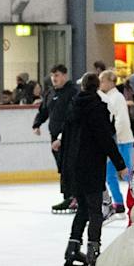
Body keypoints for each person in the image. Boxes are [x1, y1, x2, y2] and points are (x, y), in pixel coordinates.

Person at [61, 84, 127, 266]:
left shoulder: (73, 108)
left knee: (83, 208)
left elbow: (65, 138)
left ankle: (72, 249)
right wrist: (120, 164)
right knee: (95, 210)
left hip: (74, 166)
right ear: (97, 88)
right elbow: (106, 139)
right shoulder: (97, 109)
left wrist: (64, 169)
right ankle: (93, 252)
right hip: (91, 167)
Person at [31, 65, 77, 211]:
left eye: (57, 75)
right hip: (54, 135)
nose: (54, 78)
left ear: (64, 75)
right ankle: (69, 197)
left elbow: (72, 116)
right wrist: (37, 124)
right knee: (62, 168)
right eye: (52, 76)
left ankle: (73, 197)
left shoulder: (72, 92)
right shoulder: (50, 93)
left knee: (69, 167)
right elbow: (44, 110)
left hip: (68, 136)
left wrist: (62, 136)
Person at [97, 70, 134, 213]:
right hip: (118, 140)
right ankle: (119, 202)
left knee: (125, 173)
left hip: (122, 140)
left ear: (110, 82)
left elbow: (121, 120)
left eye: (103, 81)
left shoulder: (116, 97)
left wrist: (114, 136)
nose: (101, 84)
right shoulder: (110, 97)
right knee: (110, 174)